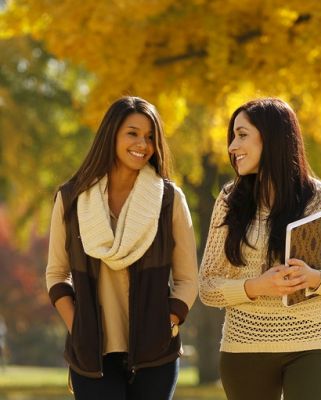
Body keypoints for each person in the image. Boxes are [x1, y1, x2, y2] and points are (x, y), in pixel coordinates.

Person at [198, 98, 321, 400]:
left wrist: (315, 278)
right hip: (245, 345)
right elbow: (208, 287)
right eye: (232, 137)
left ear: (273, 138)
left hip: (314, 341)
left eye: (242, 135)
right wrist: (255, 286)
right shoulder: (228, 200)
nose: (232, 146)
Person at [45, 96, 199, 399]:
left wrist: (166, 323)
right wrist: (79, 327)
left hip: (156, 353)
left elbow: (187, 279)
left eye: (150, 136)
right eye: (133, 133)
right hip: (91, 353)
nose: (143, 143)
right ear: (111, 134)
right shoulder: (71, 198)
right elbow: (56, 273)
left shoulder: (169, 200)